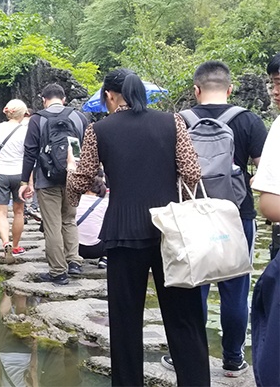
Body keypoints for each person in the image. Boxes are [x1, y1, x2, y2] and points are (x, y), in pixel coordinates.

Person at [66, 69, 209, 386]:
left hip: (122, 232)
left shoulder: (98, 130)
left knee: (125, 321)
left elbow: (84, 176)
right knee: (184, 318)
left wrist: (71, 197)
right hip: (169, 232)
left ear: (110, 97)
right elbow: (192, 172)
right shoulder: (171, 122)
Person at [160, 60, 267, 377]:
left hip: (191, 214)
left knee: (195, 286)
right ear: (230, 88)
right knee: (236, 288)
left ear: (196, 90)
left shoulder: (178, 121)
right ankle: (233, 359)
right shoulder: (249, 121)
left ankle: (188, 357)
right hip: (236, 215)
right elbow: (263, 172)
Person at [19, 84, 87, 285]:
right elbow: (84, 149)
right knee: (69, 219)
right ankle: (74, 261)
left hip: (46, 179)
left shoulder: (37, 119)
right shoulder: (79, 117)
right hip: (72, 177)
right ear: (64, 99)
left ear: (43, 100)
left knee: (52, 225)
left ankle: (58, 271)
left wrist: (25, 181)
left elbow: (30, 152)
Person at [250, 52, 280, 387]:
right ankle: (232, 358)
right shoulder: (251, 122)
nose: (274, 91)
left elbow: (270, 204)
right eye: (273, 82)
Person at [0, 99, 29, 263]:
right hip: (19, 173)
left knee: (2, 212)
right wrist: (28, 182)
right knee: (19, 211)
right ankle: (16, 246)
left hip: (1, 173)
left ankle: (5, 243)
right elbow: (29, 156)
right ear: (22, 114)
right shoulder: (26, 131)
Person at [75, 170, 108, 269]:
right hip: (98, 249)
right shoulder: (105, 203)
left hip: (75, 247)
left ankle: (72, 260)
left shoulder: (74, 201)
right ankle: (105, 258)